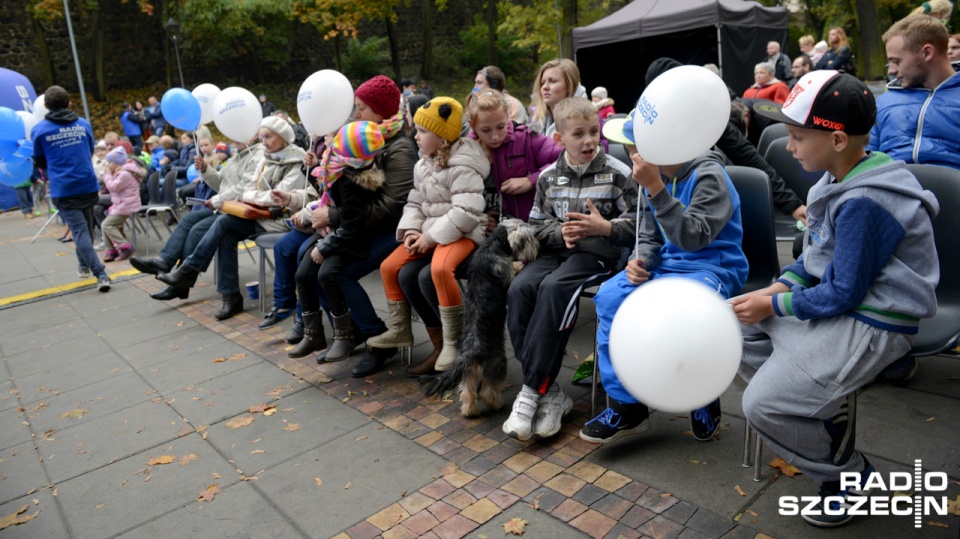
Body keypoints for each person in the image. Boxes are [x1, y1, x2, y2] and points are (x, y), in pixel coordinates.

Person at [735, 70, 939, 528]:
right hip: (844, 308)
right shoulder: (831, 179)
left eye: (797, 137)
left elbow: (844, 292)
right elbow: (814, 260)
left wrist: (774, 305)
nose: (788, 147)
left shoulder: (866, 200)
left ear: (839, 139)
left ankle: (850, 476)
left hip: (875, 321)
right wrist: (779, 287)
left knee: (761, 405)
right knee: (734, 332)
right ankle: (820, 405)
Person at [579, 106, 747, 445]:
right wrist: (640, 261)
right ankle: (628, 402)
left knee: (686, 314)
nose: (627, 154)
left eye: (632, 146)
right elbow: (648, 235)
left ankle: (701, 394)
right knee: (610, 297)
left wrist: (657, 189)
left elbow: (693, 238)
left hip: (712, 267)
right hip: (667, 266)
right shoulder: (649, 179)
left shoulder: (709, 175)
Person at [503, 97, 637, 441]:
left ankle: (532, 389)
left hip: (596, 254)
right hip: (554, 251)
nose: (589, 141)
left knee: (554, 289)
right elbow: (534, 226)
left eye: (594, 132)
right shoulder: (548, 177)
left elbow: (642, 225)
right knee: (520, 288)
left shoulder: (618, 174)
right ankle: (551, 394)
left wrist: (603, 228)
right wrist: (558, 232)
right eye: (579, 134)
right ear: (560, 138)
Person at [269, 76, 417, 373]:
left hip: (390, 230)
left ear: (380, 110)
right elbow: (340, 184)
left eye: (361, 108)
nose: (356, 114)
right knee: (308, 263)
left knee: (337, 271)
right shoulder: (358, 138)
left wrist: (334, 217)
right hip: (357, 224)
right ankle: (347, 331)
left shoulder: (398, 147)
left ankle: (375, 337)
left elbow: (392, 206)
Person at [365, 97, 488, 374]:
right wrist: (411, 229)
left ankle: (452, 342)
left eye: (422, 131)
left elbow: (467, 212)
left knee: (440, 269)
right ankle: (401, 330)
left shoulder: (463, 164)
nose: (415, 136)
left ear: (442, 136)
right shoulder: (423, 164)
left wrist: (429, 238)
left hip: (463, 231)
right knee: (390, 267)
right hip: (432, 230)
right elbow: (415, 203)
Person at [156, 117, 314, 319]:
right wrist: (245, 193)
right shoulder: (266, 157)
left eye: (269, 136)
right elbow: (249, 189)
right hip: (257, 215)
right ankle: (227, 295)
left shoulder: (297, 161)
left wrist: (248, 196)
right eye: (263, 136)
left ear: (283, 138)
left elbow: (277, 198)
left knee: (222, 224)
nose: (264, 141)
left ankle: (190, 272)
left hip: (279, 219)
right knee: (225, 233)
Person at [288, 122, 392, 361]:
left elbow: (353, 225)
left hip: (350, 239)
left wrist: (325, 246)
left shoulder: (352, 179)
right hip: (336, 232)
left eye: (335, 146)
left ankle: (347, 335)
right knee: (303, 274)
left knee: (328, 274)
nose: (330, 149)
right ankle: (313, 332)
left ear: (345, 152)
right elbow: (331, 198)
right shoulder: (337, 169)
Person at [131, 136, 264, 301]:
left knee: (197, 231)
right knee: (188, 220)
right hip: (226, 207)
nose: (234, 136)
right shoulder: (237, 156)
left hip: (240, 211)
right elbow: (220, 184)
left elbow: (243, 189)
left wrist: (217, 200)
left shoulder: (257, 156)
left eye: (238, 133)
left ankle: (180, 283)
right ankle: (164, 261)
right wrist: (206, 169)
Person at [32, 86, 111, 291]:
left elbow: (40, 162)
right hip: (87, 185)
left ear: (47, 106)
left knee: (80, 231)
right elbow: (90, 150)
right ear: (69, 103)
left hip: (64, 188)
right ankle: (83, 265)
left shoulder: (39, 130)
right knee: (84, 230)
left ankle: (100, 273)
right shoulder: (83, 124)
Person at [869, 15, 960, 171]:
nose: (891, 70)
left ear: (927, 53)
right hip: (889, 189)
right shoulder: (884, 102)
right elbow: (864, 162)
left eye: (896, 61)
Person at [467, 89, 563, 224]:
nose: (495, 136)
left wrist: (531, 180)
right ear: (472, 125)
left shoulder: (526, 139)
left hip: (526, 227)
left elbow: (565, 159)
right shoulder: (464, 151)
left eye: (501, 127)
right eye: (486, 130)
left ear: (507, 116)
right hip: (484, 231)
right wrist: (478, 221)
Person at [99, 147, 142, 262]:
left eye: (110, 162)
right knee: (107, 225)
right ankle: (111, 251)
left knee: (106, 225)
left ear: (116, 162)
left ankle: (126, 247)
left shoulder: (125, 174)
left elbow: (113, 187)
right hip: (122, 204)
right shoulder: (122, 172)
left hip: (126, 205)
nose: (108, 165)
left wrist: (107, 175)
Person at [528, 58, 585, 137]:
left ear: (570, 86)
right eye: (542, 83)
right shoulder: (536, 120)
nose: (545, 87)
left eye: (552, 81)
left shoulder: (588, 117)